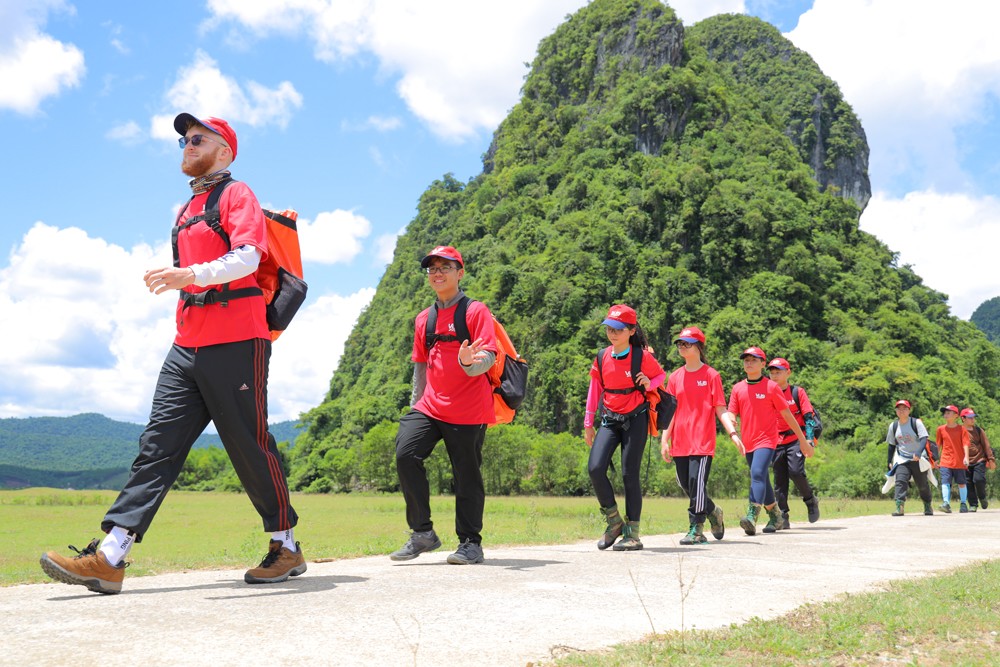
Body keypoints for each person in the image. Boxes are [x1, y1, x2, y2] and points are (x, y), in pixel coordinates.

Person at [40, 114, 303, 594]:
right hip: (187, 345)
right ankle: (110, 556)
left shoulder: (238, 194)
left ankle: (285, 545)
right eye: (183, 139)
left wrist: (191, 275)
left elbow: (247, 255)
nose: (186, 144)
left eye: (197, 138)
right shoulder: (186, 209)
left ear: (224, 151)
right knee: (156, 446)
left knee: (248, 443)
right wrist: (187, 282)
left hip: (238, 340)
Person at [390, 246, 497, 565]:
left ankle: (470, 543)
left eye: (445, 267)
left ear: (460, 273)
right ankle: (422, 533)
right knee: (405, 454)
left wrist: (468, 362)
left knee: (466, 475)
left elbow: (489, 356)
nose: (437, 273)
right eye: (432, 269)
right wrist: (415, 406)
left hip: (469, 409)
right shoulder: (425, 318)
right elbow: (420, 367)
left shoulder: (476, 311)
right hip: (430, 406)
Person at [584, 305, 665, 551]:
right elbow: (595, 389)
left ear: (631, 331)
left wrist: (649, 382)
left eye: (619, 329)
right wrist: (589, 422)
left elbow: (661, 377)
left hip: (636, 418)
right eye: (609, 328)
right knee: (595, 468)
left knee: (630, 474)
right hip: (610, 418)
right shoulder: (602, 356)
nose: (613, 333)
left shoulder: (641, 356)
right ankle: (614, 522)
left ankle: (633, 534)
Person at [660, 326, 737, 545]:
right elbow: (671, 412)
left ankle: (696, 528)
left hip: (702, 441)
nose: (682, 347)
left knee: (696, 482)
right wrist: (665, 439)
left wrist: (732, 433)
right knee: (686, 483)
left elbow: (720, 408)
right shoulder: (674, 377)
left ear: (699, 347)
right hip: (680, 442)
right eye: (680, 344)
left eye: (687, 343)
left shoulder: (711, 375)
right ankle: (713, 510)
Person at [727, 347, 809, 536]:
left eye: (754, 360)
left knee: (757, 472)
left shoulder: (771, 387)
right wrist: (731, 420)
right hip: (748, 440)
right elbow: (732, 410)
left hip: (767, 439)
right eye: (746, 360)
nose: (749, 363)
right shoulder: (738, 388)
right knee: (762, 478)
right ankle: (776, 515)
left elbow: (787, 415)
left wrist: (802, 440)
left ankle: (751, 514)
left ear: (763, 364)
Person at [766, 358, 820, 529]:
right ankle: (783, 516)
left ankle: (810, 500)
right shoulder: (767, 392)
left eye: (778, 372)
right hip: (776, 440)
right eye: (772, 372)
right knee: (779, 480)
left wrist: (809, 440)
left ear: (788, 373)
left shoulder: (797, 392)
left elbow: (809, 417)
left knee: (796, 472)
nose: (774, 376)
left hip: (797, 438)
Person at [885, 399, 934, 516]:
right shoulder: (894, 426)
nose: (901, 411)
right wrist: (888, 461)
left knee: (922, 484)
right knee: (900, 481)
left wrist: (918, 452)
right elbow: (891, 445)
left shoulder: (916, 423)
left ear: (909, 410)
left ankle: (927, 505)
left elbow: (924, 439)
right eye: (899, 409)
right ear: (896, 411)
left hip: (918, 458)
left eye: (904, 409)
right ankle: (899, 507)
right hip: (902, 459)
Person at [935, 405, 971, 513]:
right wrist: (935, 459)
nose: (945, 414)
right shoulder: (940, 429)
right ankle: (946, 503)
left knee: (961, 483)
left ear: (956, 415)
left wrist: (966, 457)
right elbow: (938, 445)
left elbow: (965, 444)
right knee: (945, 482)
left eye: (948, 412)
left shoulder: (962, 429)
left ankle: (963, 503)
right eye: (945, 412)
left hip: (959, 461)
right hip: (945, 460)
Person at [962, 408, 996, 511]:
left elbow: (986, 445)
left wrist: (991, 459)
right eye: (970, 418)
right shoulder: (959, 431)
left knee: (978, 479)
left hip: (979, 459)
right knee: (968, 483)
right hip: (965, 462)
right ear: (963, 419)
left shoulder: (978, 430)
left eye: (973, 418)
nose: (972, 420)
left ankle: (982, 497)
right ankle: (973, 504)